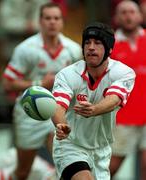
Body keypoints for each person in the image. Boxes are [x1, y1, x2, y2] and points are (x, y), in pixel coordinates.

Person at [2, 2, 82, 180]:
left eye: (56, 18)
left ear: (62, 21)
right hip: (29, 114)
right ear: (40, 21)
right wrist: (39, 83)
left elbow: (81, 82)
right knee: (23, 172)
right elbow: (8, 83)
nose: (52, 22)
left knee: (64, 164)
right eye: (48, 18)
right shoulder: (25, 49)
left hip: (59, 112)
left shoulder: (73, 50)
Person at [51, 21, 136, 180]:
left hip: (102, 151)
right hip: (71, 145)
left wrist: (94, 110)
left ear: (110, 49)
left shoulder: (124, 73)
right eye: (87, 43)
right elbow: (57, 105)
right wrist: (61, 124)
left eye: (97, 43)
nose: (91, 47)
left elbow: (114, 99)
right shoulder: (67, 74)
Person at [109, 1, 146, 179]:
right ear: (116, 18)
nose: (128, 16)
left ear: (140, 15)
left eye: (132, 11)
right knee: (110, 168)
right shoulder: (109, 45)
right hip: (122, 117)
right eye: (123, 12)